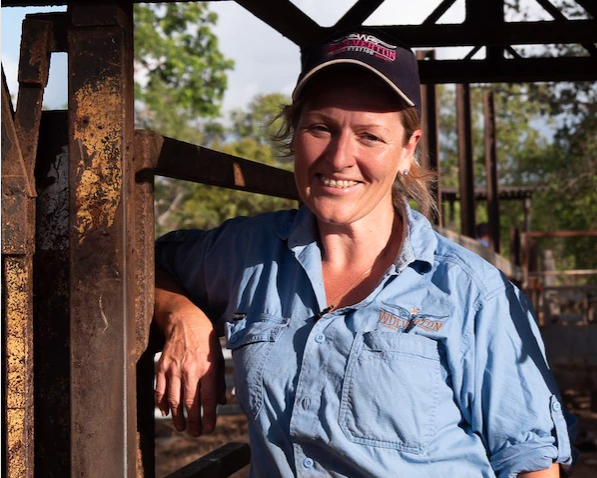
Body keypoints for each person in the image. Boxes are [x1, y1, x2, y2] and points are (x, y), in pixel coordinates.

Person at [153, 28, 575, 478]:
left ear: (406, 152)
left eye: (370, 136)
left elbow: (529, 462)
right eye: (320, 128)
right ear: (293, 134)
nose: (339, 158)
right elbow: (146, 263)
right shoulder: (248, 253)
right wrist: (183, 317)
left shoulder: (472, 292)